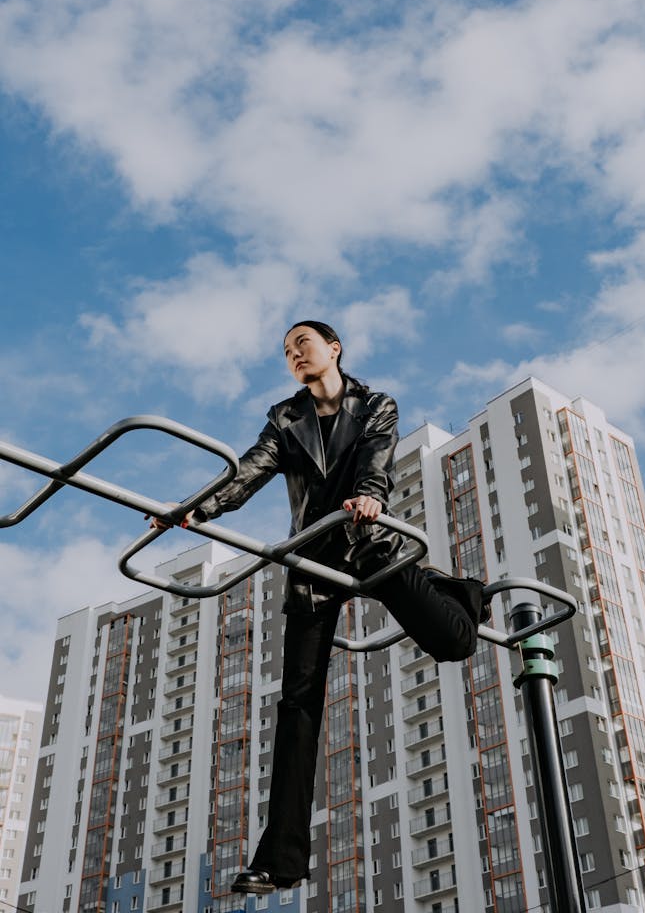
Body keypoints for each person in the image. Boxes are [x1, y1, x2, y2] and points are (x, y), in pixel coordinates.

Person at [164, 321, 489, 895]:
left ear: (333, 348)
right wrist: (195, 509)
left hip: (367, 544)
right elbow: (246, 474)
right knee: (298, 709)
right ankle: (282, 860)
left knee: (453, 642)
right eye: (287, 352)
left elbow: (376, 460)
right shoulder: (284, 421)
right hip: (313, 565)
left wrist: (371, 497)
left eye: (302, 345)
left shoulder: (375, 405)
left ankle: (458, 590)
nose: (294, 356)